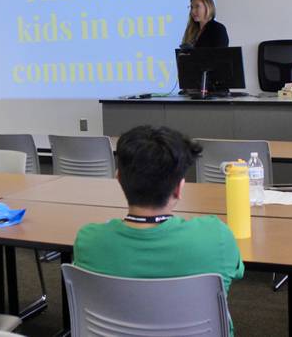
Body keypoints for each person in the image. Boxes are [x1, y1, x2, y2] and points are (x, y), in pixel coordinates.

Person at [73, 125, 244, 335]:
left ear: (118, 179)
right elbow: (237, 271)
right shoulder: (217, 236)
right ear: (179, 188)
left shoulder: (88, 241)